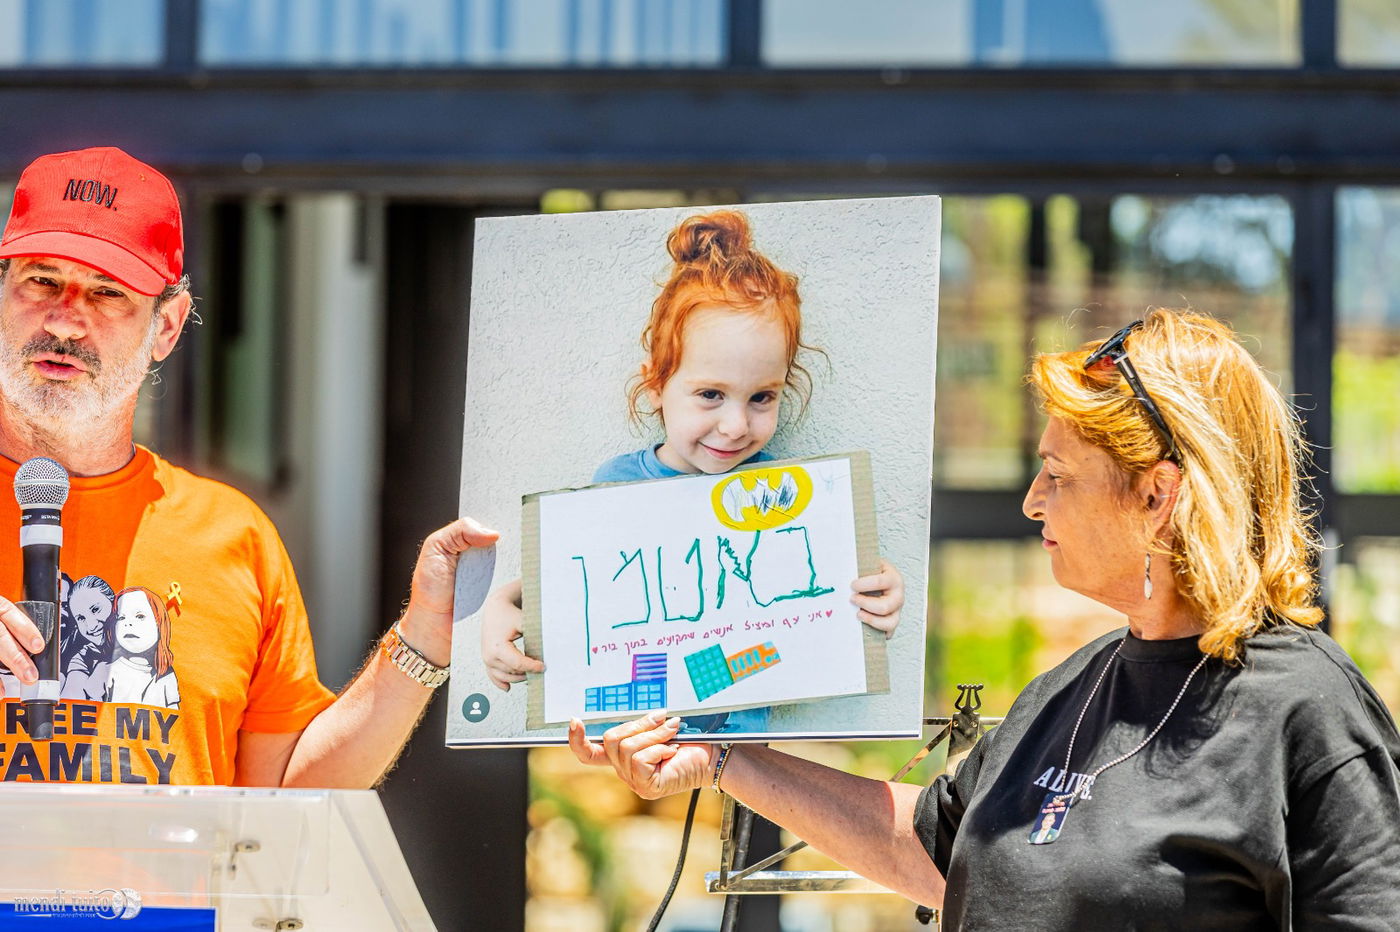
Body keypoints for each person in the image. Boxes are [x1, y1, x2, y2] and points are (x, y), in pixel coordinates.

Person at [570, 309, 1400, 927]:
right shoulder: (1071, 688)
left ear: (1158, 496)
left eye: (1058, 475)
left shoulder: (1310, 712)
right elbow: (931, 846)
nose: (1034, 501)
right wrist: (722, 758)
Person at [0, 145, 495, 786]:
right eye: (42, 280)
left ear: (167, 327)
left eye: (107, 293)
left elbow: (289, 796)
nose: (67, 320)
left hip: (171, 892)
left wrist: (425, 634)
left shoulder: (233, 535)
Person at [480, 209, 905, 734]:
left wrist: (876, 588)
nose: (734, 426)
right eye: (710, 394)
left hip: (744, 763)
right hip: (638, 745)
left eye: (761, 397)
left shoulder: (784, 494)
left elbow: (821, 588)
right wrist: (502, 603)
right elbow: (577, 585)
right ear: (656, 385)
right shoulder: (617, 484)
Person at [61, 574, 114, 701]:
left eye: (96, 609)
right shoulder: (83, 655)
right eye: (80, 618)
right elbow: (70, 698)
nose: (91, 626)